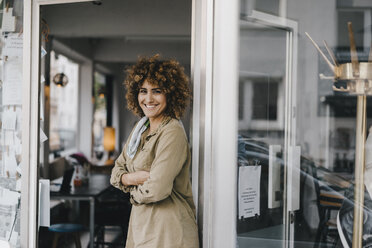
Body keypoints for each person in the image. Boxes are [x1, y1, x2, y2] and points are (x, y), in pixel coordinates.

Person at [110, 54, 199, 248]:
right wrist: (136, 178)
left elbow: (157, 189)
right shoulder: (139, 128)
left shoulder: (172, 131)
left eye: (157, 91)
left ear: (170, 94)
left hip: (169, 230)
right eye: (143, 91)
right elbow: (116, 172)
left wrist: (130, 191)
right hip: (142, 226)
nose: (148, 99)